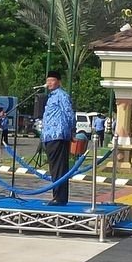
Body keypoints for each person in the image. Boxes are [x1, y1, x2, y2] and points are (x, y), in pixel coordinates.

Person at [40, 70, 74, 206]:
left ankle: (60, 198)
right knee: (54, 168)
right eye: (48, 80)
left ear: (58, 82)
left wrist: (72, 130)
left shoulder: (62, 95)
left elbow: (69, 113)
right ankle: (57, 196)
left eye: (52, 80)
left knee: (59, 167)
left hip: (58, 135)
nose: (49, 83)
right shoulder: (51, 97)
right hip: (49, 136)